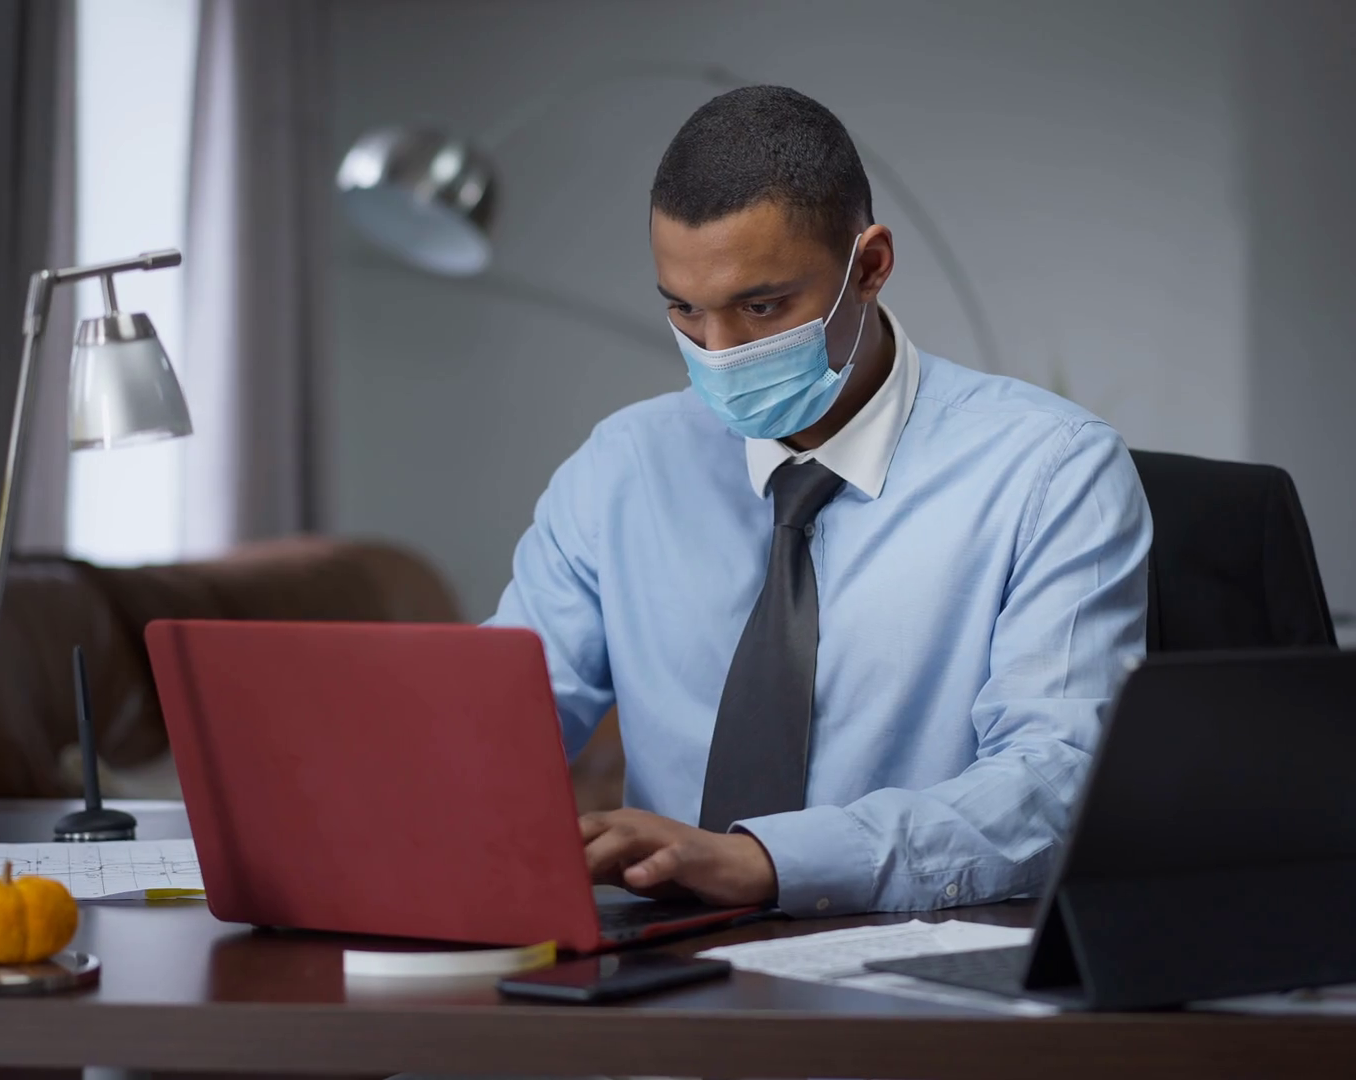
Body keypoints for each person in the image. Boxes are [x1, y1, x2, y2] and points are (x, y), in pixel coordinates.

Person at [488, 85, 1151, 917]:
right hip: (662, 962)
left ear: (868, 267)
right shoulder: (620, 469)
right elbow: (495, 728)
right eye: (685, 310)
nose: (718, 352)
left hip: (913, 958)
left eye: (761, 307)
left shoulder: (1049, 471)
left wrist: (767, 862)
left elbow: (1056, 782)